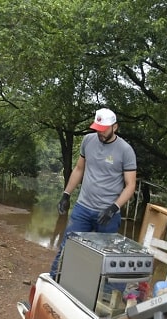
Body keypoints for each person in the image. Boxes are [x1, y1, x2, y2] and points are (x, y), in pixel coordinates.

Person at [50, 108, 137, 277]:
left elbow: (130, 185)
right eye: (97, 128)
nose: (99, 133)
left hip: (108, 214)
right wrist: (66, 195)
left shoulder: (125, 151)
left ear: (115, 127)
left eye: (104, 129)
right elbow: (79, 169)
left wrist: (114, 208)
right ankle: (55, 281)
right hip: (83, 208)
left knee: (104, 258)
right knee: (67, 248)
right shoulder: (88, 141)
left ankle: (100, 297)